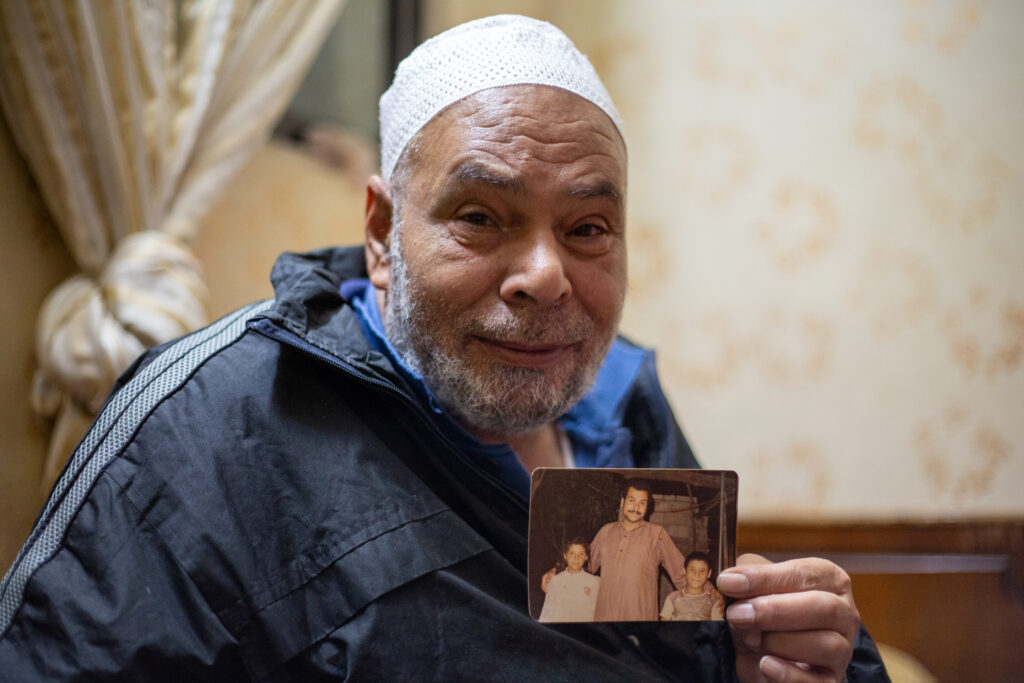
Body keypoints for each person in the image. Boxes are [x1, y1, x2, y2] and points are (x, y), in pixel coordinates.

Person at [0, 14, 888, 682]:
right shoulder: (207, 428)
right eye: (480, 217)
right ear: (383, 233)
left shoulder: (620, 401)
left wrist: (800, 653)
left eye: (586, 227)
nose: (546, 275)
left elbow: (679, 647)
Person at [581, 479, 689, 621]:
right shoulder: (606, 531)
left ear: (647, 507)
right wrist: (556, 573)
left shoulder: (657, 534)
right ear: (622, 502)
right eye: (631, 500)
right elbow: (583, 567)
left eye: (642, 503)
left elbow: (681, 572)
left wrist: (709, 593)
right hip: (605, 618)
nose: (636, 507)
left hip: (640, 619)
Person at [538, 538, 599, 623]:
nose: (576, 558)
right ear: (565, 556)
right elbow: (547, 610)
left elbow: (597, 612)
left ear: (586, 557)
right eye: (572, 553)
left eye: (581, 554)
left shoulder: (594, 582)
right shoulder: (555, 581)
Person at [661, 551, 726, 622]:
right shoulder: (672, 598)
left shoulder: (714, 600)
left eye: (702, 571)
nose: (697, 574)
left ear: (709, 573)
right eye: (692, 569)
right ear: (684, 571)